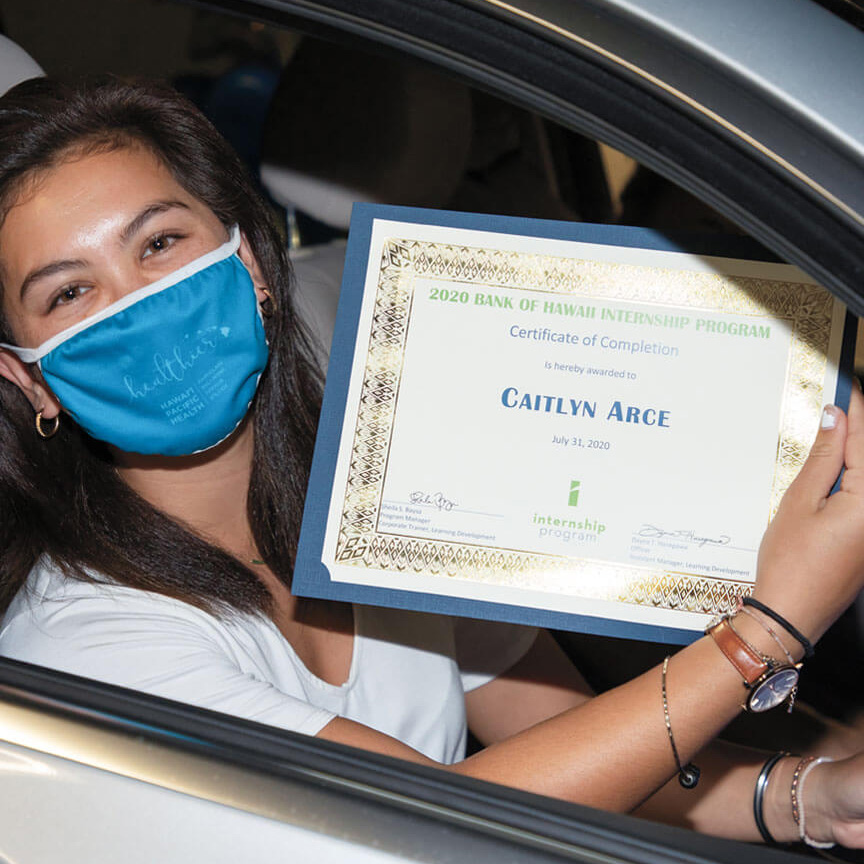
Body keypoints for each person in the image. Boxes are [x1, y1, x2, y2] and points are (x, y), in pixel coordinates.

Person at [0, 76, 864, 849]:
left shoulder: (383, 488)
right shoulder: (76, 646)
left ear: (252, 262)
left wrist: (812, 799)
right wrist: (764, 630)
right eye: (70, 292)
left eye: (159, 244)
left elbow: (583, 751)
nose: (141, 307)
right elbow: (421, 826)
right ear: (27, 377)